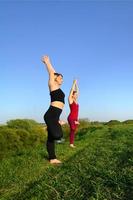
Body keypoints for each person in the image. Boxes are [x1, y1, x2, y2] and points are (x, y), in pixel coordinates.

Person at [42, 55, 65, 164]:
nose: (62, 80)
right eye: (61, 78)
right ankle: (49, 127)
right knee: (58, 135)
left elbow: (54, 73)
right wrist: (48, 62)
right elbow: (52, 73)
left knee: (51, 138)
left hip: (55, 115)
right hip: (51, 114)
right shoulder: (52, 85)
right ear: (55, 78)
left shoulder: (58, 88)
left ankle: (52, 158)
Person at [67, 80, 79, 148]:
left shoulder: (76, 101)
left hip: (75, 118)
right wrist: (73, 84)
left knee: (73, 131)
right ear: (72, 95)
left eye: (77, 95)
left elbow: (78, 91)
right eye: (75, 94)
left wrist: (76, 84)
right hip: (71, 117)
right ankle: (71, 144)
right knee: (73, 128)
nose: (77, 95)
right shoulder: (70, 100)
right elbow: (71, 92)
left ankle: (71, 144)